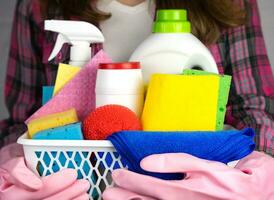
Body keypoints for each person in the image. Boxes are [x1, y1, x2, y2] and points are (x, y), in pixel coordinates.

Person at [0, 0, 274, 199]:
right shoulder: (40, 6)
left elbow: (254, 107)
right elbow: (24, 119)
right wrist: (11, 161)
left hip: (194, 182)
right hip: (81, 186)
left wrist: (261, 166)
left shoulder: (229, 3)